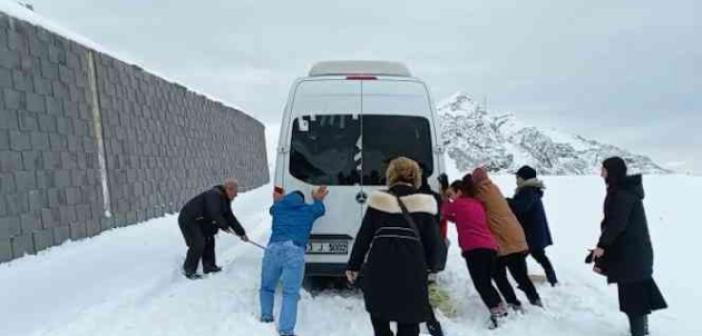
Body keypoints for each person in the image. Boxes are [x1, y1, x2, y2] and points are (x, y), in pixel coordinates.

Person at [346, 157, 442, 336]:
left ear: (390, 175)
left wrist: (353, 266)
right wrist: (432, 267)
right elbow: (433, 243)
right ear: (416, 177)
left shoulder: (378, 201)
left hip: (379, 268)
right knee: (409, 322)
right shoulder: (425, 204)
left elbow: (364, 237)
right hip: (412, 271)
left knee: (380, 318)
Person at [591, 157, 667, 336]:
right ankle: (642, 331)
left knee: (634, 299)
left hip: (631, 254)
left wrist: (602, 246)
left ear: (612, 171)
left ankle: (639, 333)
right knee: (637, 295)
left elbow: (617, 224)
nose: (601, 172)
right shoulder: (621, 190)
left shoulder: (622, 194)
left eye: (604, 169)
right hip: (632, 252)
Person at [259, 186, 328, 336]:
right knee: (290, 293)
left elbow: (272, 210)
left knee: (267, 287)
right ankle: (286, 330)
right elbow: (320, 209)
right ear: (302, 201)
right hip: (294, 250)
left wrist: (279, 200)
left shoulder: (278, 208)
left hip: (273, 249)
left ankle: (266, 317)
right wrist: (318, 198)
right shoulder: (308, 210)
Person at [470, 168, 543, 308]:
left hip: (503, 240)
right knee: (521, 275)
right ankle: (536, 300)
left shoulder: (480, 193)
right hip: (516, 236)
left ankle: (513, 303)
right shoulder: (493, 188)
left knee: (498, 274)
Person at [441, 179, 506, 329]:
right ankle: (500, 308)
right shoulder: (476, 204)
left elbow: (444, 211)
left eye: (452, 193)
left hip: (475, 249)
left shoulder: (458, 204)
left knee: (481, 283)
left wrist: (444, 197)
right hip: (490, 247)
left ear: (460, 192)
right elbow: (456, 217)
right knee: (486, 282)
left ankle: (498, 314)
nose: (450, 197)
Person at [178, 179, 248, 279]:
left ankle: (209, 266)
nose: (236, 196)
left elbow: (230, 217)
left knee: (209, 237)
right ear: (229, 189)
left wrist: (241, 233)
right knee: (198, 242)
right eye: (235, 193)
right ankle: (189, 270)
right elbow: (214, 213)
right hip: (189, 219)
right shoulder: (214, 195)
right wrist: (224, 226)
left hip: (200, 220)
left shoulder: (224, 199)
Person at [507, 165, 559, 286]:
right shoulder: (531, 190)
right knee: (538, 255)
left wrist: (506, 201)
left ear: (523, 178)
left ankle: (524, 282)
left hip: (530, 232)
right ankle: (552, 279)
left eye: (518, 176)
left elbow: (520, 207)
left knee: (519, 257)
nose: (516, 179)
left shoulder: (527, 190)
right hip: (535, 231)